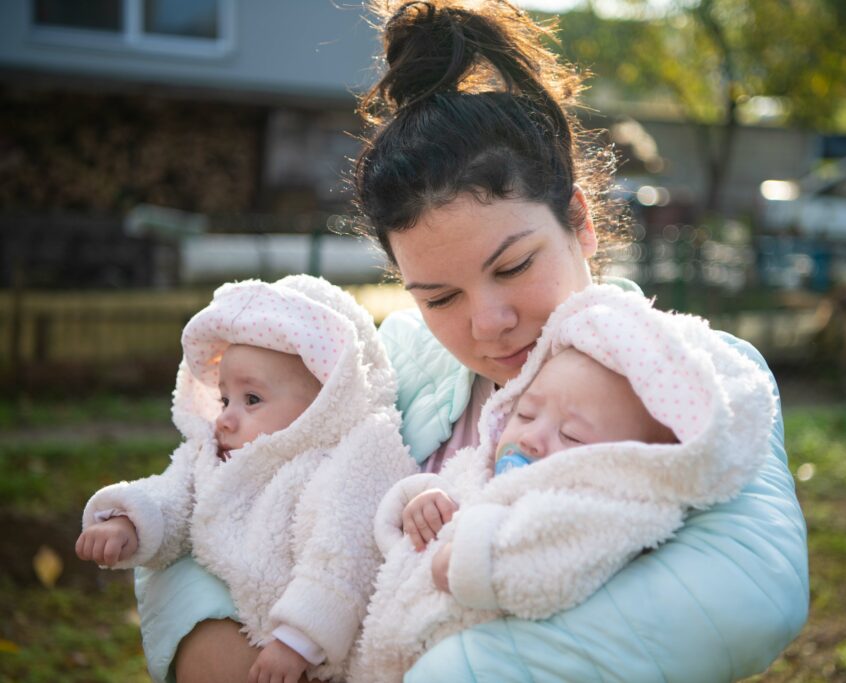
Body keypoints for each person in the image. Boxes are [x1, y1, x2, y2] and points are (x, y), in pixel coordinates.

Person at [133, 1, 808, 681]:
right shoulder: (387, 370)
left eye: (513, 266)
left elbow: (751, 589)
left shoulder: (689, 375)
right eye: (440, 297)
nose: (487, 323)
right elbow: (216, 502)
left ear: (578, 222)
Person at [348, 284, 778, 682]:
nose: (531, 438)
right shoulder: (483, 465)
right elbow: (415, 537)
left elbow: (548, 561)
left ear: (625, 461)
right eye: (527, 413)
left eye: (571, 435)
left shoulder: (603, 512)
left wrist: (469, 561)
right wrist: (421, 502)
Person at [76, 275, 415, 683]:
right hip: (243, 630)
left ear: (325, 402)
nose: (225, 418)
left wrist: (299, 639)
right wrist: (127, 521)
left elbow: (343, 551)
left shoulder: (352, 457)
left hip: (314, 653)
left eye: (251, 399)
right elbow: (172, 494)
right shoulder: (217, 455)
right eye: (224, 398)